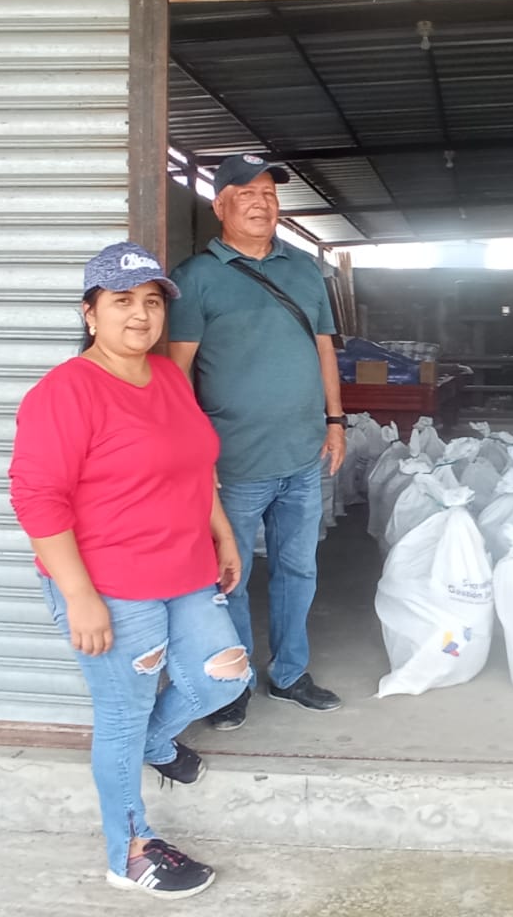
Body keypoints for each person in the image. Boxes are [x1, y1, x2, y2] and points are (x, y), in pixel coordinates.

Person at [9, 241, 251, 899]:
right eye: (122, 301)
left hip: (185, 567)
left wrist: (223, 534)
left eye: (151, 302)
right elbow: (37, 501)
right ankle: (131, 852)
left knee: (225, 677)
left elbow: (195, 463)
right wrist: (79, 596)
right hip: (110, 584)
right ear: (90, 313)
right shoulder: (65, 393)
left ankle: (153, 742)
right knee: (122, 711)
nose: (140, 315)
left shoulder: (168, 376)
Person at [168, 153, 345, 731]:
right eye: (246, 193)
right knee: (232, 576)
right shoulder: (196, 277)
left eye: (269, 193)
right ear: (220, 205)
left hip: (303, 454)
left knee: (299, 569)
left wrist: (336, 420)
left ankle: (290, 673)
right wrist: (194, 452)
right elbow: (178, 371)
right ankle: (236, 681)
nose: (261, 202)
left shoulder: (306, 270)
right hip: (234, 463)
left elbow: (324, 348)